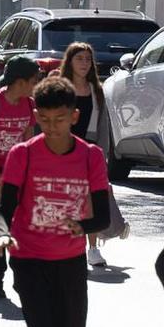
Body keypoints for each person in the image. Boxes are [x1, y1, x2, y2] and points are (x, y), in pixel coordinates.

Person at [0, 75, 112, 327]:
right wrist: (1, 234)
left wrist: (85, 227)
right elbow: (3, 209)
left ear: (74, 116)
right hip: (29, 259)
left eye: (60, 119)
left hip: (70, 263)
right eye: (44, 119)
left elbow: (103, 215)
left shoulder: (90, 156)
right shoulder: (23, 154)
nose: (52, 127)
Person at [0, 56, 43, 298]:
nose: (36, 84)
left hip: (17, 172)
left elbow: (27, 143)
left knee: (20, 226)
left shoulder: (29, 104)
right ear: (20, 81)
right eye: (34, 80)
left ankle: (22, 277)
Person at [59, 41, 121, 270]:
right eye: (79, 59)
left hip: (89, 150)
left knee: (90, 200)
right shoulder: (61, 87)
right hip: (63, 150)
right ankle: (65, 242)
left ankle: (92, 248)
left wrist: (102, 157)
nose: (84, 63)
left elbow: (103, 126)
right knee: (65, 199)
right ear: (70, 61)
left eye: (87, 59)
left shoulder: (97, 90)